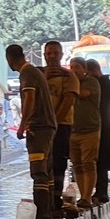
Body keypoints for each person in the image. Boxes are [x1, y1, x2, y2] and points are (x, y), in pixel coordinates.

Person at [7, 43, 56, 219]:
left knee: (38, 170)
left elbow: (29, 99)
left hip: (39, 127)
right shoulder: (35, 72)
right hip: (48, 126)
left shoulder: (27, 73)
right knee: (47, 169)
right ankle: (49, 210)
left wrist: (23, 125)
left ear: (9, 59)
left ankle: (42, 214)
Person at [42, 40, 79, 210]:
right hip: (41, 127)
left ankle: (56, 199)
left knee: (58, 162)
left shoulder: (69, 76)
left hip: (62, 125)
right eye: (49, 53)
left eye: (55, 53)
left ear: (61, 55)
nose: (52, 56)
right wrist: (45, 78)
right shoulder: (39, 75)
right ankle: (44, 200)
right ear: (44, 55)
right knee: (42, 164)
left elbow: (68, 100)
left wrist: (55, 123)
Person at [67, 57, 101, 208]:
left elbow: (81, 93)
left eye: (77, 67)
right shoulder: (71, 83)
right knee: (77, 165)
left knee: (88, 163)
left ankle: (87, 197)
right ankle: (82, 196)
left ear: (85, 69)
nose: (74, 70)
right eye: (71, 67)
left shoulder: (91, 82)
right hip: (73, 130)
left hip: (90, 130)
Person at [85, 58, 110, 203]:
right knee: (100, 161)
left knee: (99, 160)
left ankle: (100, 191)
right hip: (105, 124)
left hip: (100, 125)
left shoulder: (100, 82)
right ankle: (100, 191)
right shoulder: (105, 82)